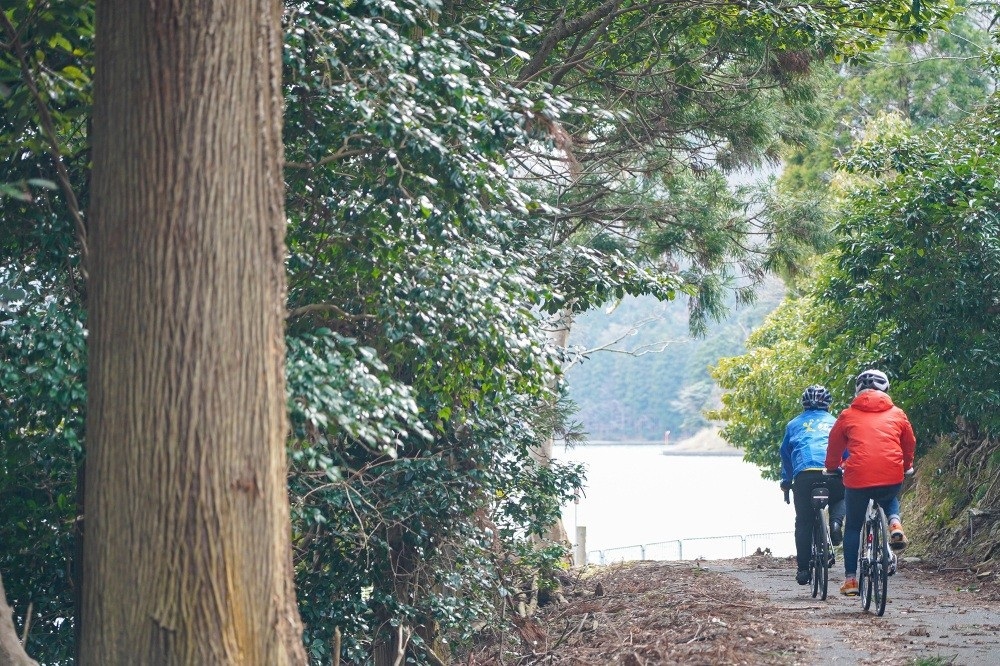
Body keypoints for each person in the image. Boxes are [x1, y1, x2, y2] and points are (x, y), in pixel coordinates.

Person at [826, 368, 916, 597]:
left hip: (857, 478)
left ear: (857, 390)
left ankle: (851, 580)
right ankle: (894, 524)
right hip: (891, 474)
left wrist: (831, 466)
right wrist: (907, 466)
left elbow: (835, 445)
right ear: (886, 388)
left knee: (854, 527)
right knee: (890, 495)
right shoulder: (898, 413)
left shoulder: (847, 415)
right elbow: (909, 443)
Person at [780, 385, 846, 586]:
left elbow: (786, 455)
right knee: (842, 497)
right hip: (832, 472)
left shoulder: (793, 424)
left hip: (804, 476)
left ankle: (802, 570)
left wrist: (786, 482)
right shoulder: (836, 423)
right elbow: (847, 451)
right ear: (828, 404)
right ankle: (836, 523)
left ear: (804, 404)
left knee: (804, 522)